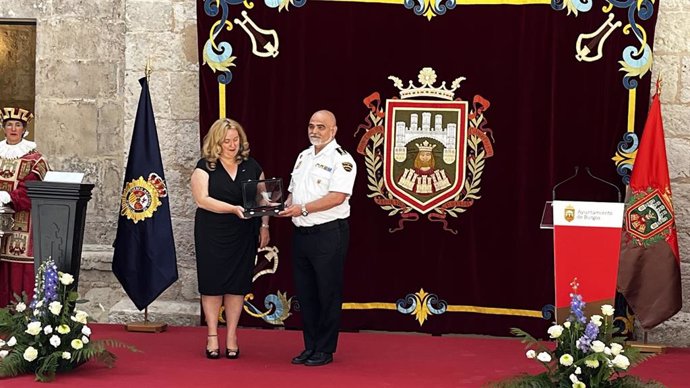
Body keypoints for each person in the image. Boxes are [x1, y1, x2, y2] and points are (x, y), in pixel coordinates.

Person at [279, 110, 356, 366]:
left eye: (321, 127)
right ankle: (310, 346)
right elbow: (293, 193)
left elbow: (337, 197)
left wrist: (301, 209)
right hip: (302, 234)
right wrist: (279, 206)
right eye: (311, 125)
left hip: (327, 234)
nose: (315, 131)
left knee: (327, 293)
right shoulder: (303, 156)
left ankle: (325, 349)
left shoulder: (342, 160)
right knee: (306, 293)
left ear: (333, 130)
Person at [191, 118, 270, 359]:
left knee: (237, 285)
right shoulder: (205, 166)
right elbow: (201, 199)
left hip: (244, 233)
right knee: (212, 282)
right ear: (216, 142)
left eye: (236, 140)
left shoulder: (252, 166)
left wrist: (265, 223)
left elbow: (263, 198)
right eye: (227, 141)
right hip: (212, 232)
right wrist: (233, 208)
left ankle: (232, 335)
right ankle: (212, 335)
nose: (232, 145)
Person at [0, 107, 49, 307]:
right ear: (3, 128)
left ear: (24, 129)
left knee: (19, 271)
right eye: (9, 124)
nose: (13, 128)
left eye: (18, 125)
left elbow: (33, 189)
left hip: (22, 225)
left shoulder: (36, 159)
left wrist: (9, 196)